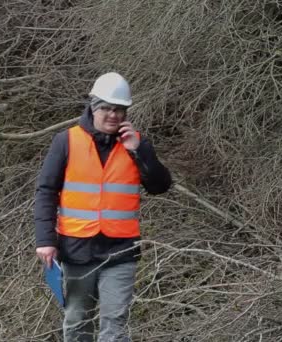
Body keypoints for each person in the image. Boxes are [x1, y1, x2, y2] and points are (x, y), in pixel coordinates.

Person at [34, 72, 172, 342]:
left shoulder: (136, 143)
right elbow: (46, 192)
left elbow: (160, 186)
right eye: (107, 108)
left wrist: (139, 151)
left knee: (115, 323)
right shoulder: (66, 141)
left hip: (121, 251)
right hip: (76, 249)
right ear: (93, 107)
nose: (113, 115)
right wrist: (45, 240)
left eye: (119, 109)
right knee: (76, 320)